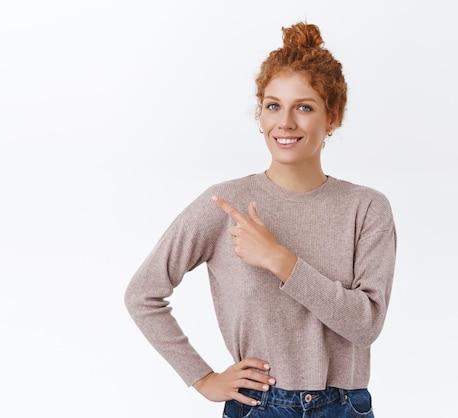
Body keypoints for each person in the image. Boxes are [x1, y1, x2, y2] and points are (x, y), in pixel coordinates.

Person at [124, 21, 397, 417]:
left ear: (333, 116)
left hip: (344, 406)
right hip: (260, 405)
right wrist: (203, 379)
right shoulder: (225, 203)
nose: (285, 122)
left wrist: (278, 260)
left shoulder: (367, 208)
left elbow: (366, 325)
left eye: (304, 107)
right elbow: (142, 294)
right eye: (273, 106)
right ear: (261, 113)